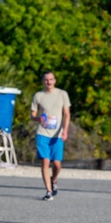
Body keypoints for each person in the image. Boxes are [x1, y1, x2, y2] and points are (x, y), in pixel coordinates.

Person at [30, 71, 71, 201]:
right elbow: (32, 115)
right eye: (46, 80)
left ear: (55, 80)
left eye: (51, 79)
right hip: (42, 133)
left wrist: (65, 130)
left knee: (57, 164)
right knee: (45, 161)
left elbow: (66, 113)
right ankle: (48, 191)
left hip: (57, 134)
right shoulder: (38, 96)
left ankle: (54, 180)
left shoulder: (62, 94)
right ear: (43, 82)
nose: (49, 82)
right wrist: (38, 119)